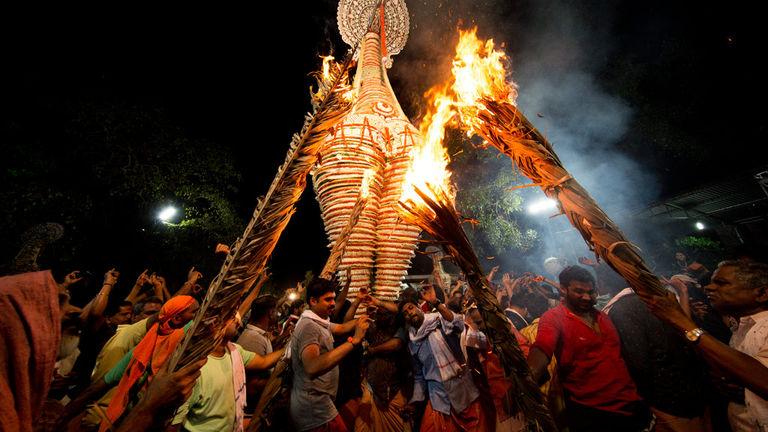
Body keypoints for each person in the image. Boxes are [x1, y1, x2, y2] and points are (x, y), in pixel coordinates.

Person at [640, 260, 768, 431]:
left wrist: (680, 320)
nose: (709, 287)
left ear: (762, 293)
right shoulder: (742, 329)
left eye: (721, 283)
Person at [527, 265, 652, 431]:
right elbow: (542, 348)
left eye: (591, 292)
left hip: (633, 405)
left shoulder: (602, 316)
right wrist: (526, 379)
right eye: (579, 291)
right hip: (594, 413)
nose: (586, 297)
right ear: (563, 290)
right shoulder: (554, 318)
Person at [56, 295, 199, 431]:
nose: (198, 317)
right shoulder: (138, 348)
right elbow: (98, 386)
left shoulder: (170, 342)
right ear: (177, 318)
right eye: (195, 313)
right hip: (105, 420)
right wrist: (62, 416)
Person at [606, 285, 708, 431]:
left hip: (667, 403)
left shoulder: (622, 310)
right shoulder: (664, 299)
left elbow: (638, 364)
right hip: (692, 394)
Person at [170, 316, 285, 432]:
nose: (238, 320)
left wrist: (290, 346)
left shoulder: (234, 351)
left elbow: (264, 362)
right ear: (215, 324)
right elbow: (173, 424)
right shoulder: (196, 369)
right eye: (232, 316)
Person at [401, 285, 488, 432]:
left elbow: (458, 323)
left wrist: (435, 302)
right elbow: (419, 376)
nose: (409, 313)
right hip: (438, 397)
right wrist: (415, 401)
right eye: (405, 313)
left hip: (463, 390)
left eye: (410, 308)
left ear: (419, 307)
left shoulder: (440, 322)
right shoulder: (412, 344)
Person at [290, 277, 370, 431]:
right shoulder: (309, 327)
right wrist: (354, 341)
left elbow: (340, 328)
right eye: (328, 300)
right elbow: (312, 367)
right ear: (313, 301)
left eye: (333, 298)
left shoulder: (319, 321)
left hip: (320, 403)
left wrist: (362, 318)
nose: (333, 303)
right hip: (314, 408)